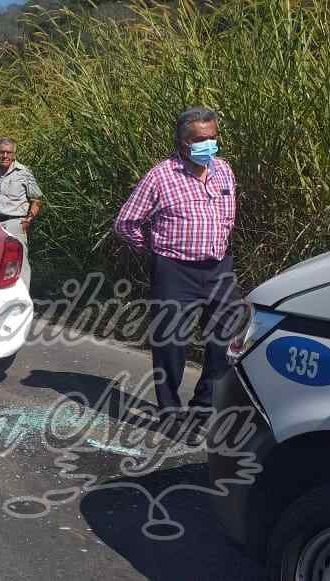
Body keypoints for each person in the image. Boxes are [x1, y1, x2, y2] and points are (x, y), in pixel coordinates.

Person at [114, 106, 245, 438]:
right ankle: (170, 412)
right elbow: (127, 222)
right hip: (175, 270)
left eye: (213, 138)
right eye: (201, 140)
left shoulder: (223, 171)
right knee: (171, 344)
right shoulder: (160, 176)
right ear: (182, 142)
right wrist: (155, 250)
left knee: (225, 342)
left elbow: (228, 216)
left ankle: (203, 410)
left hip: (218, 267)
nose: (209, 145)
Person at [0, 137, 43, 243]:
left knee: (17, 259)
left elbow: (37, 200)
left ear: (14, 154)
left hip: (16, 225)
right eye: (2, 152)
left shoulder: (24, 173)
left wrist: (28, 220)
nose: (5, 156)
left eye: (8, 152)